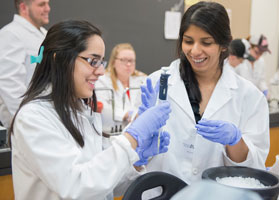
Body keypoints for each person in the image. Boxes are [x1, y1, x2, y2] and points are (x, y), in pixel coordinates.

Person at [8, 20, 172, 200]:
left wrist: (136, 160)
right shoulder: (33, 118)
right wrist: (132, 137)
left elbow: (103, 185)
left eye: (102, 62)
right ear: (59, 60)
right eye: (93, 61)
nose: (101, 71)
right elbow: (77, 185)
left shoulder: (83, 112)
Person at [138, 1, 270, 195]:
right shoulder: (157, 84)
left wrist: (235, 142)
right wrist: (139, 139)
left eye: (206, 42)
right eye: (188, 41)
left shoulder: (249, 96)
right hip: (159, 194)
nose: (195, 51)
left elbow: (253, 170)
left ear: (224, 45)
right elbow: (132, 160)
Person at [0, 0, 50, 128]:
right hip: (27, 122)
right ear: (23, 7)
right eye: (41, 4)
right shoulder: (10, 34)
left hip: (45, 116)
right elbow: (8, 82)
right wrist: (29, 119)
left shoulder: (44, 34)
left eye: (48, 3)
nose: (47, 8)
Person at [95, 43, 146, 135]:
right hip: (110, 132)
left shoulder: (142, 79)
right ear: (113, 62)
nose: (128, 64)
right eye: (123, 60)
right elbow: (102, 107)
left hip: (137, 131)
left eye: (131, 60)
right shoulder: (102, 80)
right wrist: (125, 114)